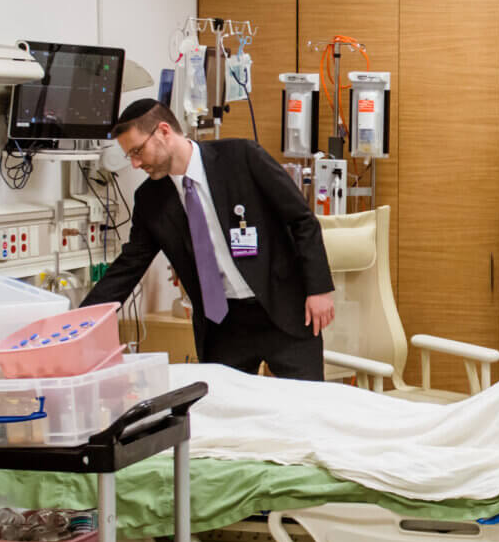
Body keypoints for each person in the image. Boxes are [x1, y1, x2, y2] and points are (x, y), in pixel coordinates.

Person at [81, 100, 335, 379]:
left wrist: (319, 289)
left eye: (138, 151)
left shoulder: (242, 158)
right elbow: (129, 265)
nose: (136, 163)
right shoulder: (151, 199)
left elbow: (302, 220)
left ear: (164, 131)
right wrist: (83, 321)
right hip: (224, 326)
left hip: (282, 311)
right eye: (130, 156)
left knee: (305, 411)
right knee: (226, 415)